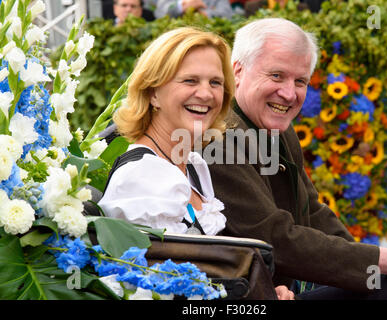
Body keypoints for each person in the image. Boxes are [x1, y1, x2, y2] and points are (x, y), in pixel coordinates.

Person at [208, 18, 387, 300]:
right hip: (241, 297)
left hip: (273, 288)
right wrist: (380, 260)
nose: (289, 94)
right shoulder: (216, 136)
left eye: (300, 81)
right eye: (276, 76)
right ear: (237, 71)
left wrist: (371, 266)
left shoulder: (279, 130)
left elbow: (311, 211)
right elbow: (273, 239)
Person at [97, 27, 294, 300]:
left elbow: (209, 275)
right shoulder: (143, 177)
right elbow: (154, 293)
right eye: (190, 81)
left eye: (215, 83)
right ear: (153, 92)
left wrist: (263, 291)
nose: (206, 94)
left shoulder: (191, 164)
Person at [154, 0, 233, 19]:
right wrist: (183, 7)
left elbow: (228, 14)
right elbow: (159, 13)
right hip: (175, 38)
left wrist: (201, 13)